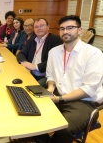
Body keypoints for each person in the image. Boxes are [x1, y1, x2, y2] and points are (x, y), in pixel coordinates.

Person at [34, 15, 103, 143]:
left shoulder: (93, 54)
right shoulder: (54, 52)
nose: (65, 32)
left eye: (70, 28)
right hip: (58, 95)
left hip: (83, 102)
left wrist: (59, 99)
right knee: (32, 116)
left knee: (64, 129)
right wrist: (50, 87)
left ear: (79, 30)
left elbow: (89, 89)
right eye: (62, 29)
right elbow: (50, 76)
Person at [16, 18, 62, 87]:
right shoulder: (31, 41)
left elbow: (55, 61)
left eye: (42, 26)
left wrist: (35, 67)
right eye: (36, 27)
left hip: (46, 76)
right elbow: (21, 54)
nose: (39, 28)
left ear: (48, 27)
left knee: (31, 88)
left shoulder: (55, 40)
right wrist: (25, 63)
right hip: (31, 72)